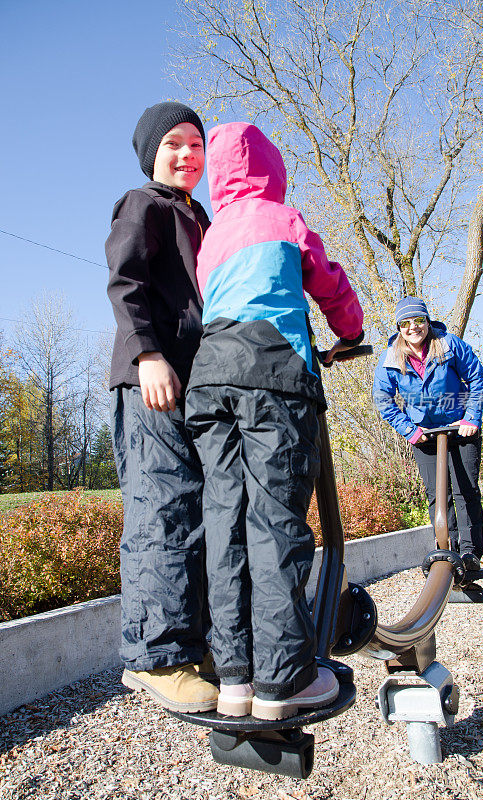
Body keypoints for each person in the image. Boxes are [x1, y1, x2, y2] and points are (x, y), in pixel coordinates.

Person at [185, 122, 364, 720]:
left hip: (210, 378)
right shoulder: (283, 219)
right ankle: (282, 682)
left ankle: (234, 678)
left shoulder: (212, 236)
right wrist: (351, 333)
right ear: (271, 169)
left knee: (225, 522)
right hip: (273, 376)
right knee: (276, 522)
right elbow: (328, 281)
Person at [106, 101, 219, 713]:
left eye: (196, 144)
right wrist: (148, 354)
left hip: (193, 384)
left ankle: (191, 645)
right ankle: (156, 659)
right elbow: (125, 283)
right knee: (163, 511)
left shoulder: (199, 216)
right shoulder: (142, 204)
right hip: (149, 379)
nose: (186, 154)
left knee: (198, 513)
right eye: (174, 143)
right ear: (151, 152)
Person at [372, 297, 483, 571]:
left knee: (465, 491)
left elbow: (477, 377)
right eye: (406, 323)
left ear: (427, 321)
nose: (414, 327)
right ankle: (446, 547)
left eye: (419, 320)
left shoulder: (449, 344)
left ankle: (470, 554)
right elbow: (383, 399)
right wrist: (409, 430)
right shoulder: (391, 357)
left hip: (461, 429)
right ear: (399, 328)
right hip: (423, 435)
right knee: (437, 495)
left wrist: (471, 417)